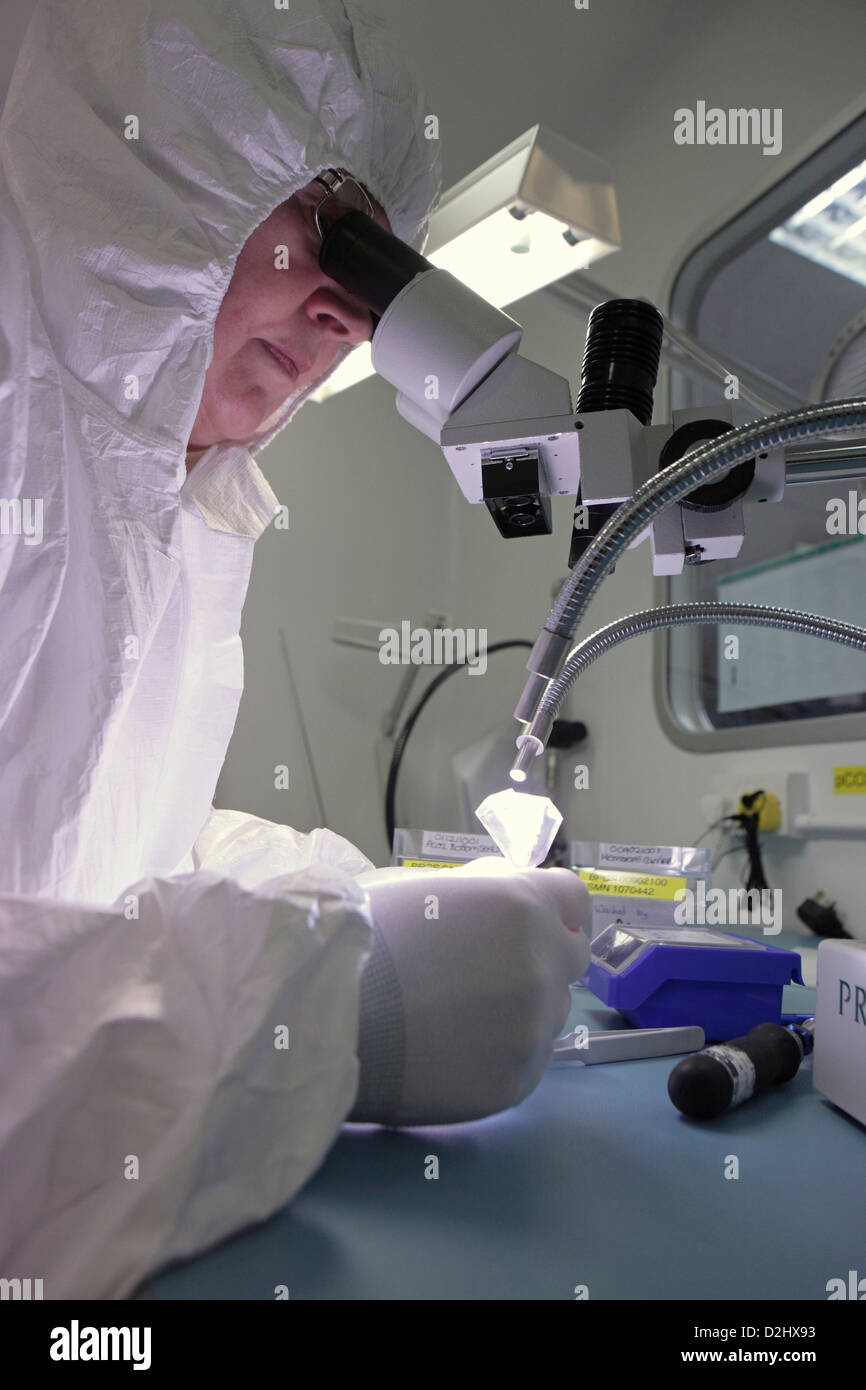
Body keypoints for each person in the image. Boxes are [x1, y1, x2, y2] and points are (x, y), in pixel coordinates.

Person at [0, 0, 590, 1298]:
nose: (347, 316)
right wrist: (328, 1012)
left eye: (381, 269)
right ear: (122, 164)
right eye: (327, 225)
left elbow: (94, 855)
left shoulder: (164, 515)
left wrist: (351, 903)